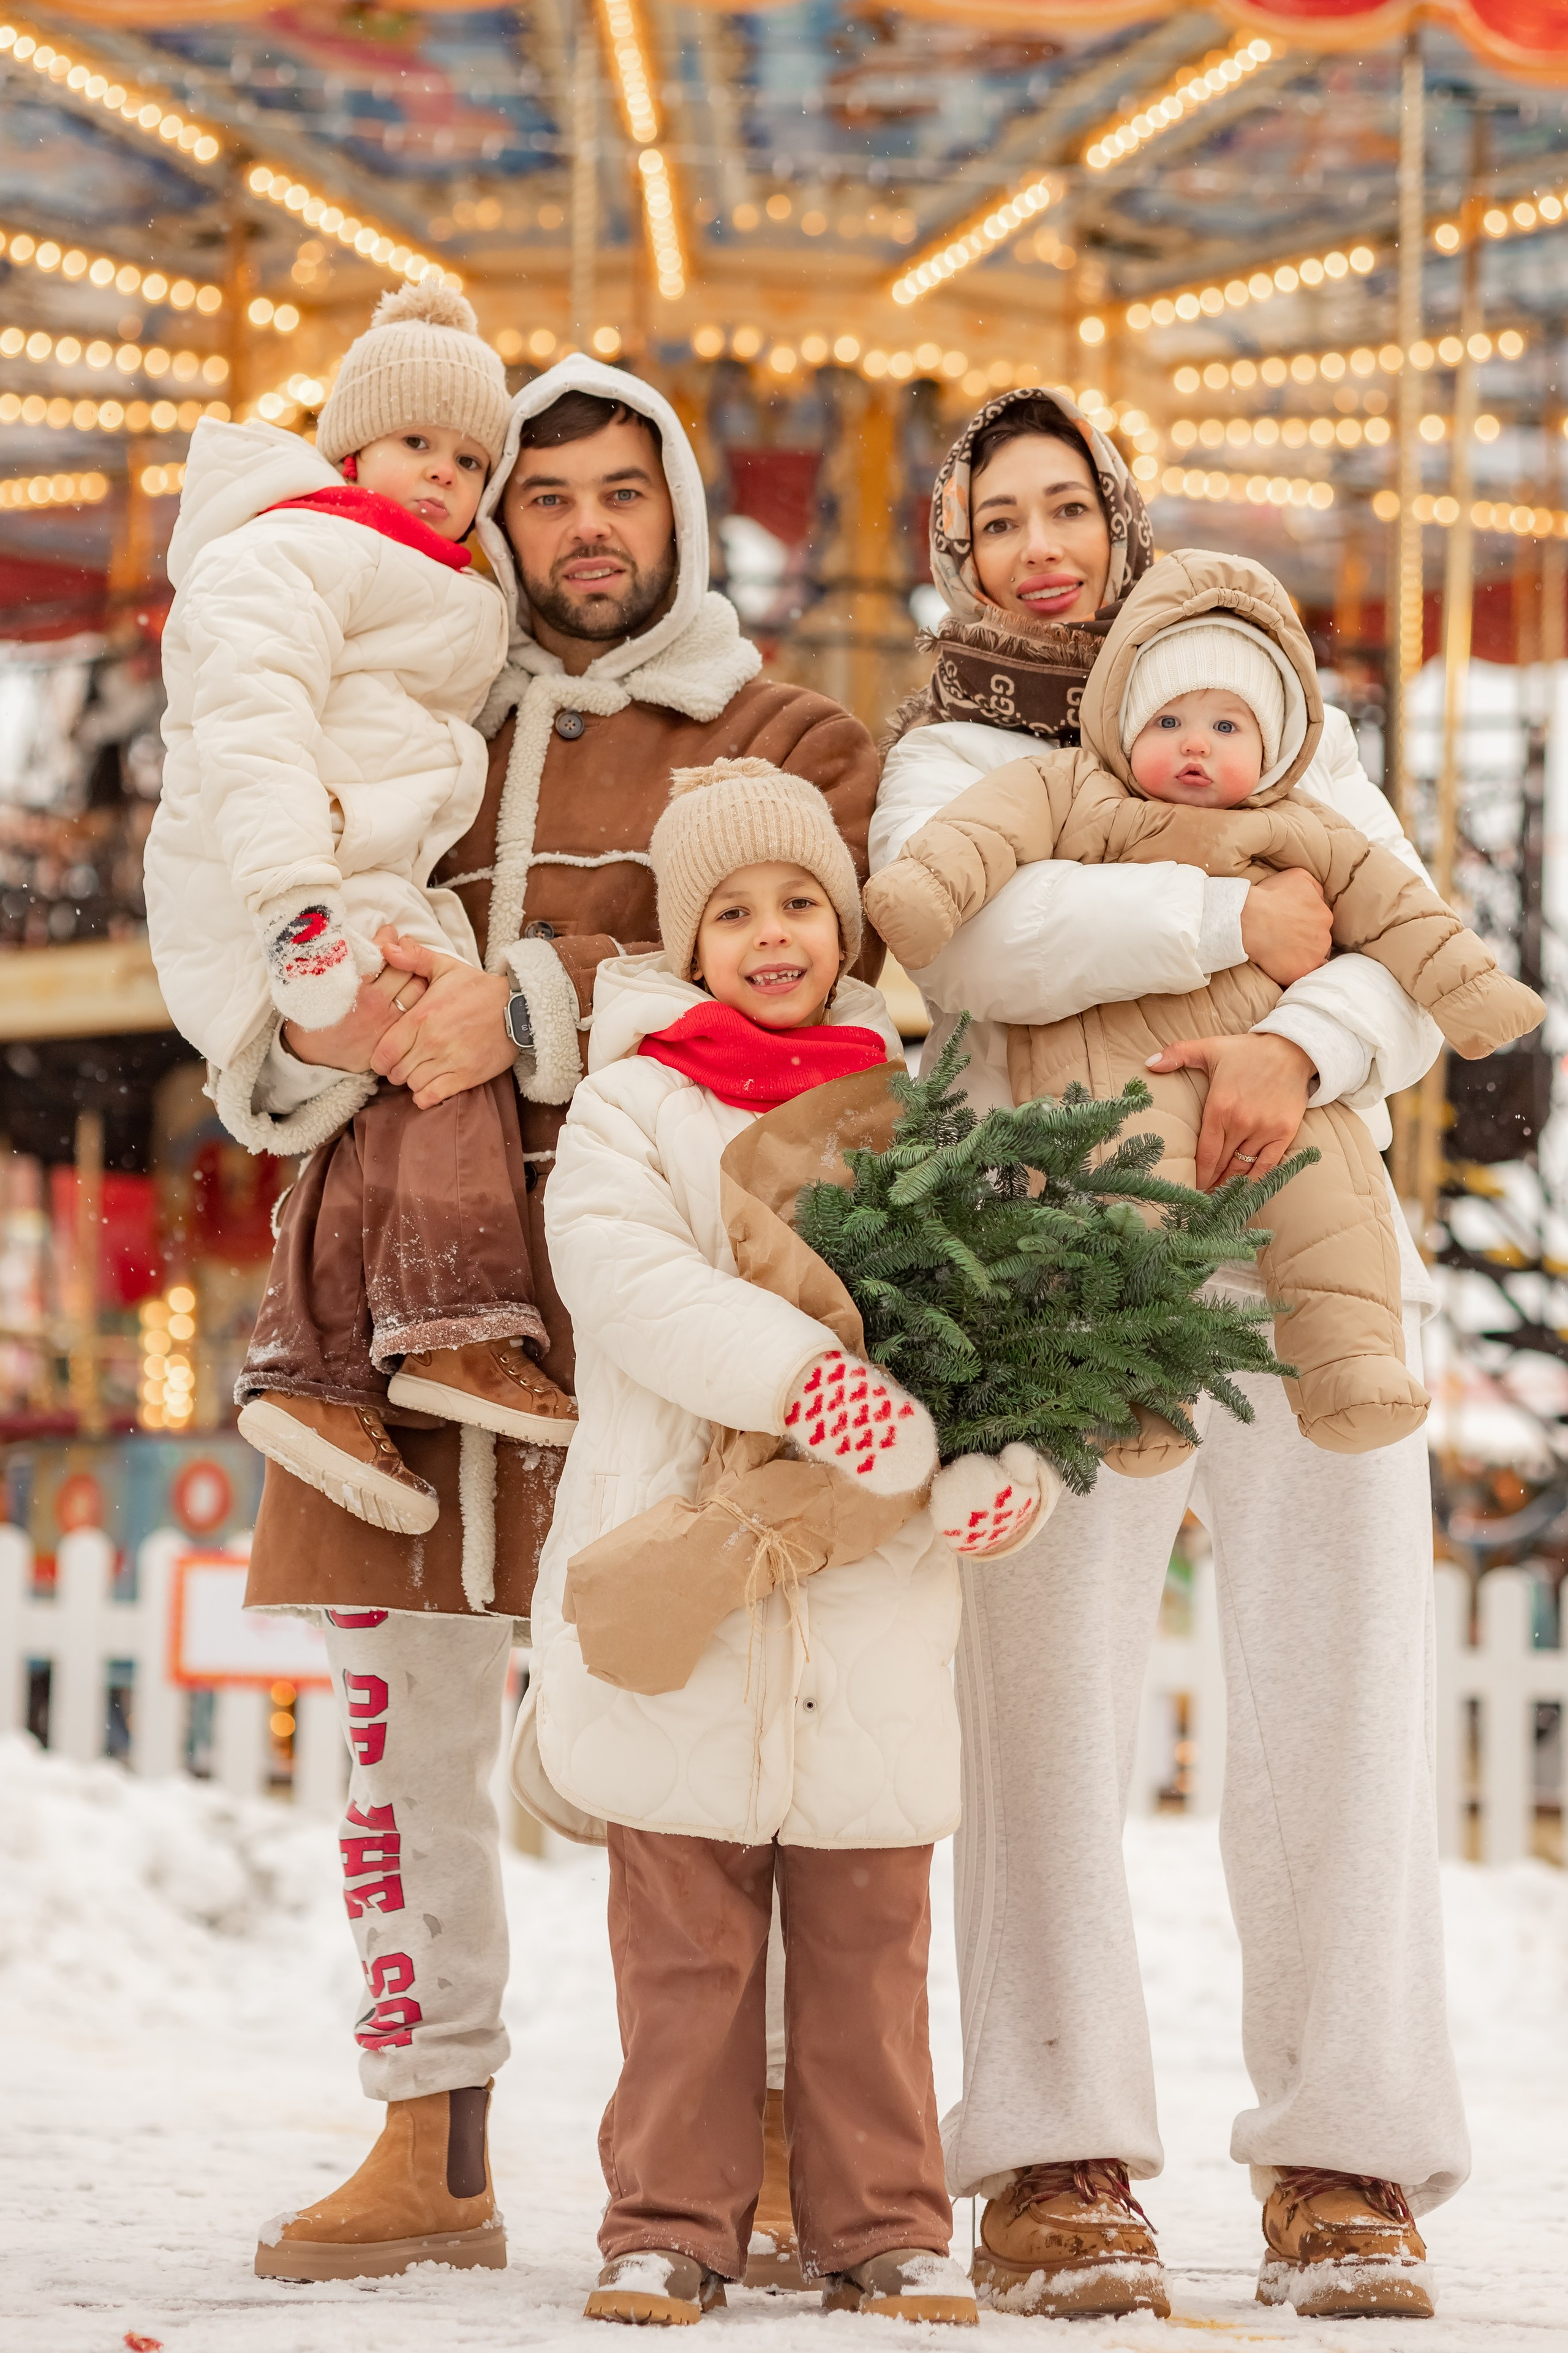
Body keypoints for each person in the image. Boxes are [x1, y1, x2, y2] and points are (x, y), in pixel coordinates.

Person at [225, 358, 882, 2281]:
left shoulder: (783, 733)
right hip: (396, 1300)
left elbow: (831, 976)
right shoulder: (409, 713)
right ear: (498, 519)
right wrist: (308, 1025)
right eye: (549, 495)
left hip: (663, 1281)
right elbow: (268, 926)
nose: (588, 528)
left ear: (680, 508)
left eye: (626, 492)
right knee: (405, 1703)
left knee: (719, 1709)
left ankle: (750, 2131)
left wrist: (530, 999)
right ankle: (427, 2138)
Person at [870, 388, 1469, 2321]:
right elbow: (984, 947)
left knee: (1348, 1672)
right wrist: (1232, 912)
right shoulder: (951, 743)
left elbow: (1394, 931)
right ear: (954, 551)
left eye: (1072, 507)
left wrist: (1308, 1038)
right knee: (1038, 1698)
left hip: (1301, 1223)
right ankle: (1054, 2150)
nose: (1043, 546)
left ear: (1122, 518)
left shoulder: (1274, 695)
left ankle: (1348, 2147)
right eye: (1003, 519)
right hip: (1052, 1232)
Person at [531, 755, 1010, 2327]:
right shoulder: (631, 1102)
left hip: (870, 1591)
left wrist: (994, 1475)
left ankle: (882, 2224)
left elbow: (997, 1334)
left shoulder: (911, 1102)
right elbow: (630, 1283)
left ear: (843, 922)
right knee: (685, 1942)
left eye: (799, 899)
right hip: (694, 1560)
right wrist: (808, 1379)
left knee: (871, 1944)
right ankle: (667, 2219)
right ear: (687, 939)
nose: (772, 931)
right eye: (731, 910)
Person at [868, 546, 1540, 1456]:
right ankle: (1140, 1395)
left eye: (1228, 727)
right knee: (1125, 1211)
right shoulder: (1069, 786)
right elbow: (978, 843)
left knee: (1331, 1203)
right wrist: (924, 892)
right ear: (1123, 716)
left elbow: (1397, 906)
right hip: (1122, 1067)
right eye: (1172, 718)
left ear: (1273, 744)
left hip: (1277, 1067)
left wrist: (1465, 989)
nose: (1195, 744)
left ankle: (1354, 1368)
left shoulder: (1301, 816)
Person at [148, 285, 579, 1539]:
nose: (442, 477)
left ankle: (320, 1369)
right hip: (277, 881)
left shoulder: (422, 574)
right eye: (415, 449)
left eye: (467, 460)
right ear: (350, 450)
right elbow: (252, 723)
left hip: (347, 874)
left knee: (414, 1070)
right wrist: (296, 911)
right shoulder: (295, 549)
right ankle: (442, 1322)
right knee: (441, 1060)